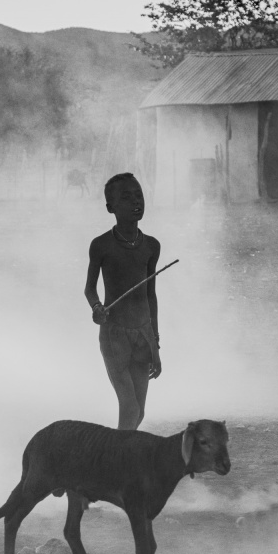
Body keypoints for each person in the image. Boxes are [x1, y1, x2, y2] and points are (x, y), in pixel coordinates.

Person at [84, 172, 161, 430]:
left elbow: (150, 295)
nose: (136, 201)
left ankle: (117, 460)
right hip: (114, 334)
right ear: (110, 208)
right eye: (126, 198)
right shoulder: (101, 245)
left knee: (138, 412)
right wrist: (97, 308)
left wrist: (155, 342)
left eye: (138, 195)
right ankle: (117, 464)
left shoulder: (151, 246)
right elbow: (89, 290)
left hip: (143, 333)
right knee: (129, 407)